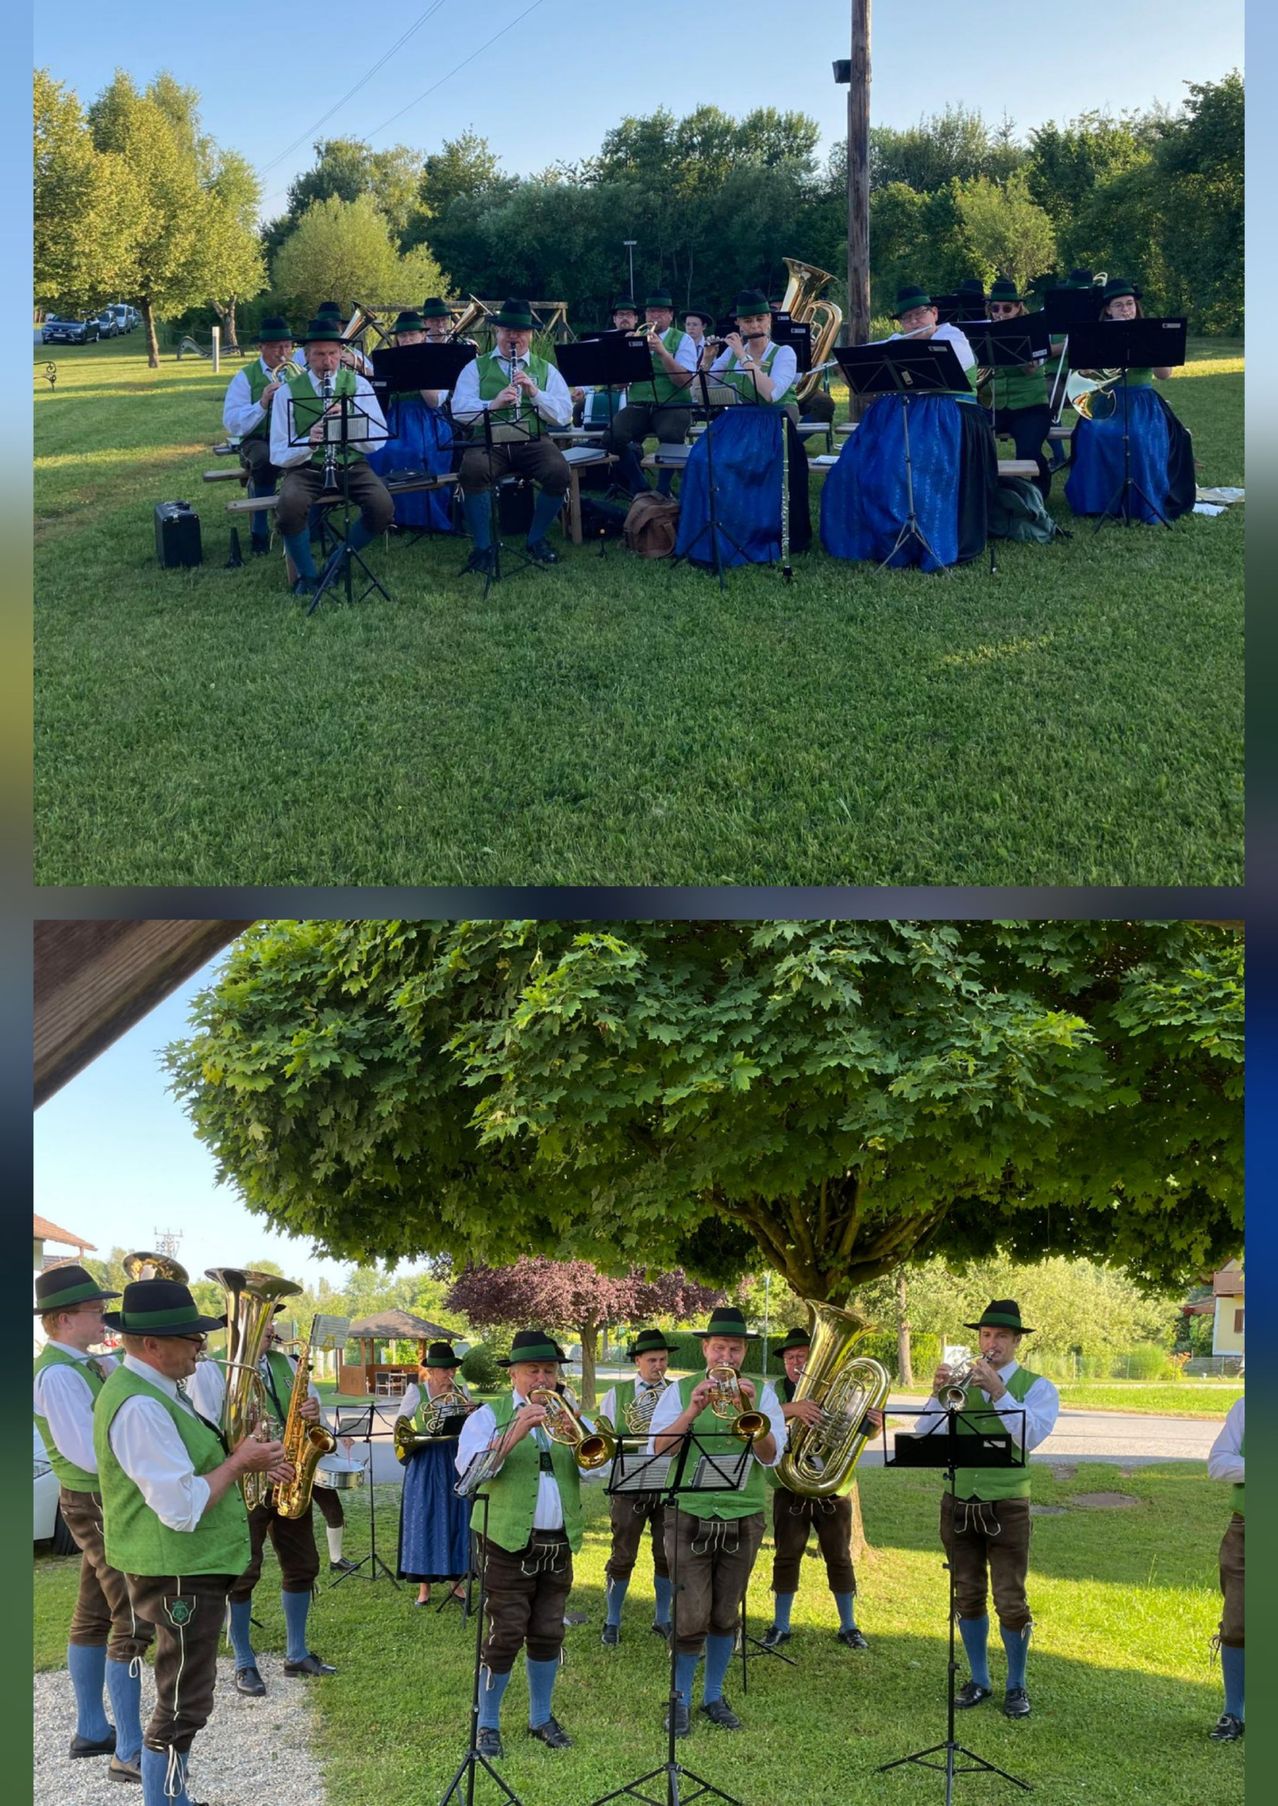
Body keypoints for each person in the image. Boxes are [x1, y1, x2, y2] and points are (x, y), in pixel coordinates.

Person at [93, 1277, 289, 1806]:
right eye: (190, 1337)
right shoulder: (140, 1406)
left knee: (184, 1699)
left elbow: (193, 1469)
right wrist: (239, 1462)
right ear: (152, 1345)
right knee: (180, 1704)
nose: (201, 1347)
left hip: (184, 1565)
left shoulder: (155, 1392)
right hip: (177, 1568)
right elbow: (179, 1508)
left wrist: (253, 1460)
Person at [454, 1330, 608, 1757]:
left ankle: (541, 1716)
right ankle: (487, 1723)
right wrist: (514, 1433)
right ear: (515, 1375)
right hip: (505, 1542)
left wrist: (579, 1434)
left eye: (549, 1371)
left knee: (548, 1632)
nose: (542, 1379)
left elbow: (597, 1470)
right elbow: (469, 1477)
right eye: (532, 1371)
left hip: (558, 1543)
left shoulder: (570, 1416)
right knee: (504, 1634)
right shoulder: (488, 1416)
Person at [33, 1264, 151, 1782]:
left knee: (92, 1611)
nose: (103, 1317)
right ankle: (128, 1749)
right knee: (129, 1615)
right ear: (63, 1320)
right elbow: (86, 1455)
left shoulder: (76, 1364)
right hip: (97, 1499)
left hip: (91, 1501)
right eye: (94, 1311)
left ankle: (91, 1727)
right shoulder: (58, 1374)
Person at [916, 1300, 1060, 1719]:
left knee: (1011, 1598)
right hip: (958, 1501)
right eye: (984, 1335)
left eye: (999, 1336)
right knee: (967, 1593)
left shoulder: (1037, 1387)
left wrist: (998, 1391)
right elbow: (924, 1434)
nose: (990, 1343)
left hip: (1007, 1504)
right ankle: (979, 1677)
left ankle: (1016, 1684)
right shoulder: (960, 1384)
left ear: (1017, 1342)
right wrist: (936, 1395)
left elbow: (1028, 1438)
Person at [189, 1310, 339, 1698]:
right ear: (238, 1327)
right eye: (264, 1321)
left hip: (290, 1479)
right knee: (242, 1572)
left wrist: (312, 1414)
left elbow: (317, 1426)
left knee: (303, 1565)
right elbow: (208, 1433)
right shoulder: (212, 1370)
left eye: (272, 1321)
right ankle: (243, 1660)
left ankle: (297, 1652)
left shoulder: (287, 1364)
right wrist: (255, 1463)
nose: (272, 1328)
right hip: (244, 1486)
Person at [648, 1306, 783, 1736]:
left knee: (726, 1613)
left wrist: (749, 1411)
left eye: (736, 1347)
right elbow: (658, 1449)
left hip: (743, 1514)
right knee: (689, 1614)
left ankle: (713, 1695)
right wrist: (690, 1411)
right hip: (688, 1511)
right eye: (720, 1346)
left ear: (744, 1353)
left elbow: (772, 1456)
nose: (727, 1353)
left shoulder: (762, 1394)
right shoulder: (680, 1390)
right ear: (705, 1348)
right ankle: (680, 1700)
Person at [820, 282, 998, 571]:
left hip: (946, 416)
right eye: (908, 318)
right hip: (902, 415)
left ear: (935, 313)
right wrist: (851, 368)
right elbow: (870, 363)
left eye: (920, 315)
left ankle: (916, 540)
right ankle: (874, 539)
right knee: (853, 465)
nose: (914, 322)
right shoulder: (896, 341)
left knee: (899, 467)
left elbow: (951, 364)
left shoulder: (954, 337)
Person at [760, 1325, 882, 1653]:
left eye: (801, 1356)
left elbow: (862, 1435)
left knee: (839, 1557)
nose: (795, 1363)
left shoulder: (841, 1388)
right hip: (789, 1484)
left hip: (833, 1486)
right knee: (787, 1555)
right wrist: (793, 1410)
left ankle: (849, 1625)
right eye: (789, 1358)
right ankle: (781, 1625)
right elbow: (759, 1419)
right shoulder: (773, 1392)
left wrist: (873, 1425)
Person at [675, 287, 812, 565]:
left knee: (729, 464)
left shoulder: (784, 353)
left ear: (769, 321)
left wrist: (742, 356)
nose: (755, 326)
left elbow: (770, 393)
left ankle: (750, 532)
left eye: (761, 319)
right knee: (702, 459)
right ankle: (710, 533)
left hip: (771, 421)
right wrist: (710, 358)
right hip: (736, 420)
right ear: (739, 323)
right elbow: (701, 391)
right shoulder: (730, 353)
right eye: (749, 321)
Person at [269, 315, 393, 597]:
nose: (327, 362)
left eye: (333, 354)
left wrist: (350, 424)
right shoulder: (287, 393)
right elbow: (277, 452)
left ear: (341, 354)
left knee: (382, 507)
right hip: (306, 467)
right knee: (289, 507)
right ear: (306, 356)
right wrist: (308, 442)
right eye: (320, 355)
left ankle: (338, 560)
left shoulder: (359, 385)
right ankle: (309, 576)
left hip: (351, 464)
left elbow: (378, 439)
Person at [451, 299, 574, 574]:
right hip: (489, 439)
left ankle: (536, 538)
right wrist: (492, 404)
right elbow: (459, 409)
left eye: (519, 331)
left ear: (530, 335)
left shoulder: (545, 369)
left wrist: (534, 393)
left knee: (558, 471)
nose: (513, 336)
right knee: (473, 469)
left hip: (532, 439)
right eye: (507, 330)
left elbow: (564, 415)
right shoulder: (476, 367)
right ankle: (483, 547)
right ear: (497, 333)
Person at [1064, 279, 1195, 525]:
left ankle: (1143, 501)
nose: (1126, 309)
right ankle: (1098, 502)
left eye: (1130, 304)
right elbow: (1084, 370)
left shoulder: (1150, 331)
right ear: (1108, 310)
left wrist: (1159, 348)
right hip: (1108, 399)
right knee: (1094, 434)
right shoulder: (1097, 334)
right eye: (1119, 305)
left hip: (1142, 402)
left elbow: (1164, 375)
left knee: (1139, 437)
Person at [597, 1328, 679, 1645]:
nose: (659, 1366)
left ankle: (663, 1618)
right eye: (653, 1360)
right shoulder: (617, 1395)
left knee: (666, 1554)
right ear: (637, 1361)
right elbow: (605, 1438)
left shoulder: (676, 1392)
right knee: (623, 1555)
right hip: (629, 1481)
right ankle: (612, 1620)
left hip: (667, 1480)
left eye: (663, 1360)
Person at [396, 1340, 474, 1605]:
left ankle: (456, 1583)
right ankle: (424, 1589)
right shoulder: (416, 1392)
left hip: (454, 1459)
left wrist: (470, 1413)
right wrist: (422, 1432)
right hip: (426, 1461)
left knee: (456, 1517)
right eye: (443, 1370)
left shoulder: (461, 1390)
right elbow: (401, 1424)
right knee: (425, 1518)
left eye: (451, 1369)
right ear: (431, 1371)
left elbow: (472, 1426)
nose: (449, 1375)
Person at [366, 307, 456, 534]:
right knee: (380, 453)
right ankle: (391, 517)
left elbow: (434, 401)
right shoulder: (388, 359)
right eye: (403, 336)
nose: (407, 339)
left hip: (427, 420)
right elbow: (381, 400)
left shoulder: (436, 358)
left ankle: (426, 517)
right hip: (394, 417)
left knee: (416, 453)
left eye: (412, 335)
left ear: (422, 335)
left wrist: (420, 368)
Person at [606, 291, 699, 494]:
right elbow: (618, 385)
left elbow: (685, 383)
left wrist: (663, 353)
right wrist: (625, 353)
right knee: (612, 435)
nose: (654, 316)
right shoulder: (635, 337)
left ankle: (663, 488)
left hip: (673, 404)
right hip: (639, 404)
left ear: (670, 315)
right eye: (650, 312)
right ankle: (640, 484)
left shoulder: (683, 340)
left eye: (660, 312)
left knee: (670, 433)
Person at [221, 316, 296, 556]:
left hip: (291, 435)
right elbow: (233, 423)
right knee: (265, 458)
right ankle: (260, 530)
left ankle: (306, 524)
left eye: (286, 345)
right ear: (261, 347)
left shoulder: (299, 373)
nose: (282, 352)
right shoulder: (245, 377)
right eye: (275, 346)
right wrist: (262, 403)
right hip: (257, 439)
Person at [982, 277, 1053, 498]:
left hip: (1031, 407)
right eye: (995, 308)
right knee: (972, 440)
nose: (1000, 313)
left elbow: (1032, 369)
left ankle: (1038, 495)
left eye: (1007, 308)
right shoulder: (984, 332)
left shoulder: (1034, 329)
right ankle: (985, 491)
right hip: (996, 406)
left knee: (1028, 451)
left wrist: (1016, 349)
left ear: (1018, 308)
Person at [1207, 1396, 1244, 1741]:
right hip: (1246, 1528)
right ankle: (1234, 1712)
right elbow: (1218, 1464)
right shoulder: (1247, 1406)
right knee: (1236, 1622)